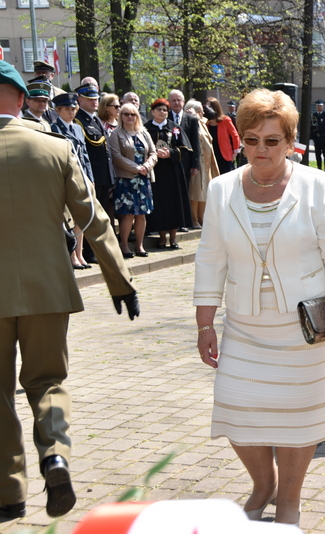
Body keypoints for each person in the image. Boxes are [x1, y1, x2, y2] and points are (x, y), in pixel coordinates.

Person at [194, 88, 325, 526]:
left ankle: (289, 498)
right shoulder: (222, 188)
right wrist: (204, 324)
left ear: (290, 142)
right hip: (245, 327)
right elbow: (210, 258)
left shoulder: (315, 184)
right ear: (241, 141)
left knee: (299, 418)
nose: (261, 149)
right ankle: (262, 483)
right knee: (235, 406)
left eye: (272, 140)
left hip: (305, 328)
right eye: (251, 140)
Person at [0, 60, 138, 521]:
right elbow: (92, 217)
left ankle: (9, 492)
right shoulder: (55, 149)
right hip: (46, 291)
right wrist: (120, 281)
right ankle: (55, 455)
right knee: (47, 382)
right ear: (22, 101)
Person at [51, 92, 95, 270]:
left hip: (81, 177)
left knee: (81, 217)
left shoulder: (77, 128)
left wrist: (90, 178)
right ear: (58, 110)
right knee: (69, 217)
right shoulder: (54, 129)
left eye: (73, 109)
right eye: (67, 109)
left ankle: (80, 253)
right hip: (66, 178)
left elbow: (85, 156)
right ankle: (72, 255)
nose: (71, 113)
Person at [109, 102, 157, 258]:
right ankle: (124, 245)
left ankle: (140, 245)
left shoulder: (144, 133)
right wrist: (136, 168)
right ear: (120, 116)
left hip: (143, 179)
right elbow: (116, 156)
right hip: (126, 179)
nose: (130, 117)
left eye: (133, 114)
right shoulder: (116, 134)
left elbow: (153, 153)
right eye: (126, 114)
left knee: (142, 214)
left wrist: (147, 166)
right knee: (128, 214)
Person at [144, 98, 192, 249]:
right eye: (159, 109)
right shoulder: (145, 128)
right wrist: (153, 154)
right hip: (155, 172)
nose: (162, 112)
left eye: (165, 110)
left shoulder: (175, 128)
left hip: (172, 171)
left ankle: (173, 238)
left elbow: (185, 149)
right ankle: (162, 238)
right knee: (159, 204)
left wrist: (170, 153)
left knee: (174, 203)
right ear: (152, 112)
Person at [75, 83, 115, 230]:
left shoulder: (96, 119)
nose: (94, 101)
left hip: (103, 175)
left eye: (96, 98)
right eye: (90, 99)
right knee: (91, 215)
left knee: (102, 212)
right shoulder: (78, 120)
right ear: (80, 100)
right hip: (93, 176)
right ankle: (90, 252)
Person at [183, 99, 220, 228]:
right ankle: (193, 218)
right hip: (199, 161)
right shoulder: (191, 122)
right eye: (200, 111)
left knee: (205, 191)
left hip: (207, 162)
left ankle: (201, 217)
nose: (203, 113)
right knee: (196, 191)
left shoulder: (202, 123)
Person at [169, 90, 201, 191]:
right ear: (169, 102)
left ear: (183, 102)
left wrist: (195, 165)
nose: (176, 103)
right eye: (173, 100)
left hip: (186, 163)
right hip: (169, 162)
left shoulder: (192, 120)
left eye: (179, 100)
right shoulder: (165, 118)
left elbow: (195, 143)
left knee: (184, 191)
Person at [206, 96, 240, 174]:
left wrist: (235, 152)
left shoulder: (225, 120)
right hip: (211, 156)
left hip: (224, 155)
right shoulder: (206, 122)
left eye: (209, 107)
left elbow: (235, 135)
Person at [311, 99, 325, 172]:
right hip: (316, 138)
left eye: (320, 106)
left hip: (324, 137)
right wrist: (311, 138)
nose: (319, 107)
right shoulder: (314, 115)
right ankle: (319, 168)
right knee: (317, 154)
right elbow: (311, 127)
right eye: (318, 106)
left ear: (323, 106)